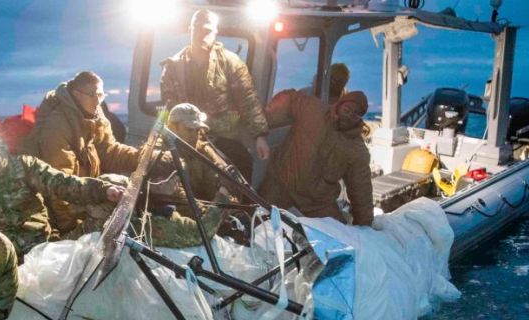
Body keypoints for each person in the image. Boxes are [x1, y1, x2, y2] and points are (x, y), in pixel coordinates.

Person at [0, 119, 125, 258]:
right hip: (4, 264)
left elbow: (62, 183)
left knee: (109, 206)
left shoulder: (24, 166)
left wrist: (103, 190)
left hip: (45, 249)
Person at [21, 71, 140, 236]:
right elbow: (59, 186)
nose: (98, 100)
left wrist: (143, 157)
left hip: (81, 194)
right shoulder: (56, 126)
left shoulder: (94, 118)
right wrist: (70, 231)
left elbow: (109, 151)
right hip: (59, 211)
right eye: (92, 94)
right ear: (76, 95)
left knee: (122, 186)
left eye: (100, 94)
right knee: (108, 203)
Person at [160, 9, 270, 181]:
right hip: (186, 138)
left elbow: (248, 98)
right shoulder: (173, 66)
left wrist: (260, 136)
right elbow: (168, 107)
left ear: (216, 32)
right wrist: (163, 135)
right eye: (198, 30)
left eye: (208, 31)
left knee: (242, 165)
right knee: (168, 172)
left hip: (222, 137)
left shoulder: (230, 62)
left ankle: (241, 208)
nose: (202, 35)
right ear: (190, 30)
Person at [258, 90, 374, 225]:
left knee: (339, 238)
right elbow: (290, 98)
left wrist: (364, 223)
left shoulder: (357, 150)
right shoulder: (313, 109)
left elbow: (361, 189)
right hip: (281, 183)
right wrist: (265, 118)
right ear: (339, 105)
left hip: (316, 201)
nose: (348, 116)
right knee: (253, 218)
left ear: (360, 118)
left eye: (355, 114)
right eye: (346, 109)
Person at [142, 103, 228, 248]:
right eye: (189, 130)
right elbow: (184, 203)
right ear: (172, 128)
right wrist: (217, 215)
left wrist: (231, 211)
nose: (195, 136)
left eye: (198, 131)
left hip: (208, 217)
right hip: (183, 226)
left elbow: (223, 179)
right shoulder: (161, 157)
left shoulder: (202, 150)